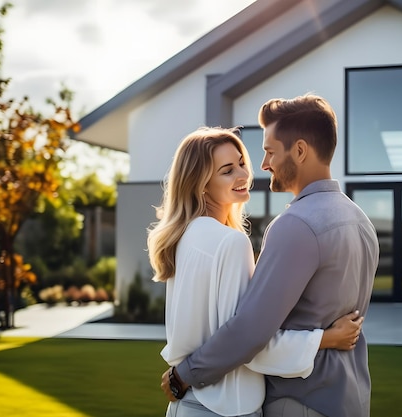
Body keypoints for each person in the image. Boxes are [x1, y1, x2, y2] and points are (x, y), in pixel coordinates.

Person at [161, 95, 380, 417]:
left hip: (302, 401)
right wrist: (329, 338)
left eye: (269, 152)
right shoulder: (360, 220)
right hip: (350, 396)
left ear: (300, 151)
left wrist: (183, 375)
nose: (261, 166)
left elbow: (249, 334)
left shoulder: (294, 225)